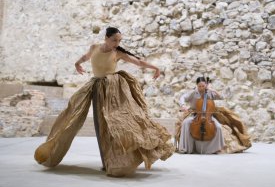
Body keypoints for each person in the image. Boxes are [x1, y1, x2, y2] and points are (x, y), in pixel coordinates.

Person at [34, 27, 174, 177]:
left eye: (119, 40)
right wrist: (77, 63)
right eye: (114, 40)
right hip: (97, 89)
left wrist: (155, 68)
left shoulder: (117, 53)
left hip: (113, 91)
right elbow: (86, 57)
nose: (117, 43)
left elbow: (138, 62)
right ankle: (105, 161)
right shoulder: (94, 48)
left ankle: (124, 157)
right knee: (99, 126)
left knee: (117, 125)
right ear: (106, 38)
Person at [176, 77, 252, 154]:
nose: (201, 88)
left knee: (218, 127)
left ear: (206, 85)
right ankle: (186, 148)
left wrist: (212, 90)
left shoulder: (209, 92)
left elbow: (222, 97)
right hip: (195, 115)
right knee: (186, 123)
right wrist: (183, 105)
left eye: (203, 86)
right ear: (197, 85)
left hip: (208, 116)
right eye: (199, 86)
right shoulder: (193, 92)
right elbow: (183, 97)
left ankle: (213, 149)